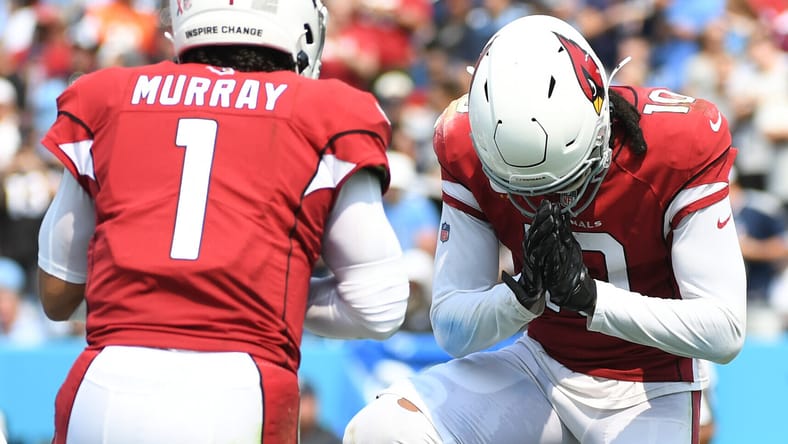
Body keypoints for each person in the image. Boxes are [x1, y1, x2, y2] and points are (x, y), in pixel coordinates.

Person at [343, 14, 746, 444]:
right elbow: (453, 328)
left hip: (651, 387)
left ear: (601, 123)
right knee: (382, 430)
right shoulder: (463, 139)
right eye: (520, 189)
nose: (552, 199)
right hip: (541, 365)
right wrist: (519, 298)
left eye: (570, 180)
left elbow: (724, 330)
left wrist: (592, 299)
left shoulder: (676, 142)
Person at [36, 1, 410, 443]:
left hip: (106, 383)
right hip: (239, 386)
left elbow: (57, 292)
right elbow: (378, 306)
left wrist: (153, 289)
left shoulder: (107, 96)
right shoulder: (329, 110)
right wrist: (257, 292)